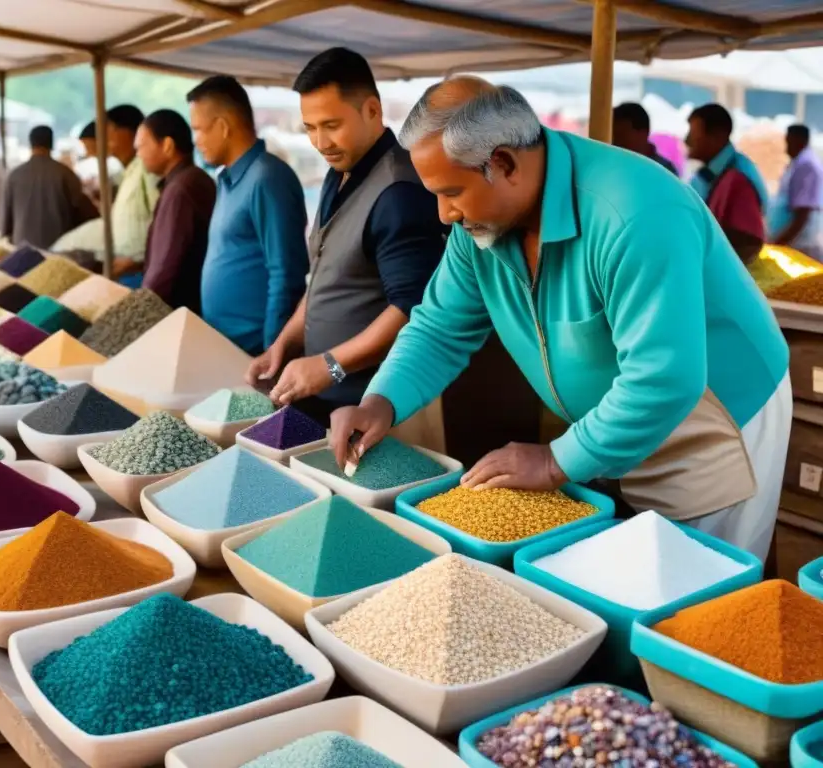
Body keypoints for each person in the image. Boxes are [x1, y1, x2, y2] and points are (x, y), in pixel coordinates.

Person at [330, 77, 791, 561]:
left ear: (503, 163)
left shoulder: (634, 212)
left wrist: (554, 461)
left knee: (698, 585)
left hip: (712, 411)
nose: (444, 215)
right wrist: (379, 402)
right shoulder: (479, 227)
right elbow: (439, 326)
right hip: (628, 410)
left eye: (451, 192)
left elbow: (664, 379)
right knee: (643, 563)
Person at [246, 47, 447, 430]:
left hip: (375, 408)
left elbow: (411, 310)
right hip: (323, 394)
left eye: (331, 125)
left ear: (372, 109)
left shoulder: (398, 192)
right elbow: (327, 275)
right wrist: (283, 345)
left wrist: (330, 365)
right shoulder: (339, 173)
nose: (320, 142)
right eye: (310, 128)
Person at [189, 75, 308, 355]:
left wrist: (272, 351)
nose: (196, 140)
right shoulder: (228, 180)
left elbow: (286, 272)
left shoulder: (267, 179)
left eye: (199, 129)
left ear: (222, 126)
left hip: (256, 352)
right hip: (226, 345)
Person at [52, 105, 160, 277]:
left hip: (138, 269)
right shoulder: (129, 171)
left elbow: (161, 221)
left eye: (110, 130)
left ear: (130, 132)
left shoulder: (147, 169)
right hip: (124, 264)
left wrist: (138, 261)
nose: (105, 138)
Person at [135, 109, 216, 312]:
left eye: (142, 146)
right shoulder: (190, 179)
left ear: (168, 145)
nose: (138, 154)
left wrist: (141, 310)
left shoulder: (181, 189)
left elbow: (164, 267)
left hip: (181, 308)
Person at [686, 103, 767, 263]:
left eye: (693, 133)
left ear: (717, 136)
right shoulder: (712, 174)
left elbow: (748, 243)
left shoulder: (738, 179)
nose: (687, 140)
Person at [2, 125, 96, 249]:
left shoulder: (15, 175)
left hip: (22, 249)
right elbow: (83, 212)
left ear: (31, 143)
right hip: (59, 248)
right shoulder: (65, 174)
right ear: (51, 144)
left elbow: (6, 219)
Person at [769, 124, 823, 262]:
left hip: (801, 243)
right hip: (794, 242)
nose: (786, 147)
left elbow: (803, 212)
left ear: (800, 140)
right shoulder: (798, 162)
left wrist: (779, 242)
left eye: (789, 142)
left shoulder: (807, 165)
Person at [612, 102, 677, 174]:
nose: (616, 142)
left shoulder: (665, 172)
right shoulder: (612, 167)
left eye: (622, 135)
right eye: (613, 136)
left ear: (643, 133)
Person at [74, 120, 124, 198]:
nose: (86, 151)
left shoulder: (113, 163)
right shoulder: (88, 164)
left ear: (98, 142)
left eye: (88, 145)